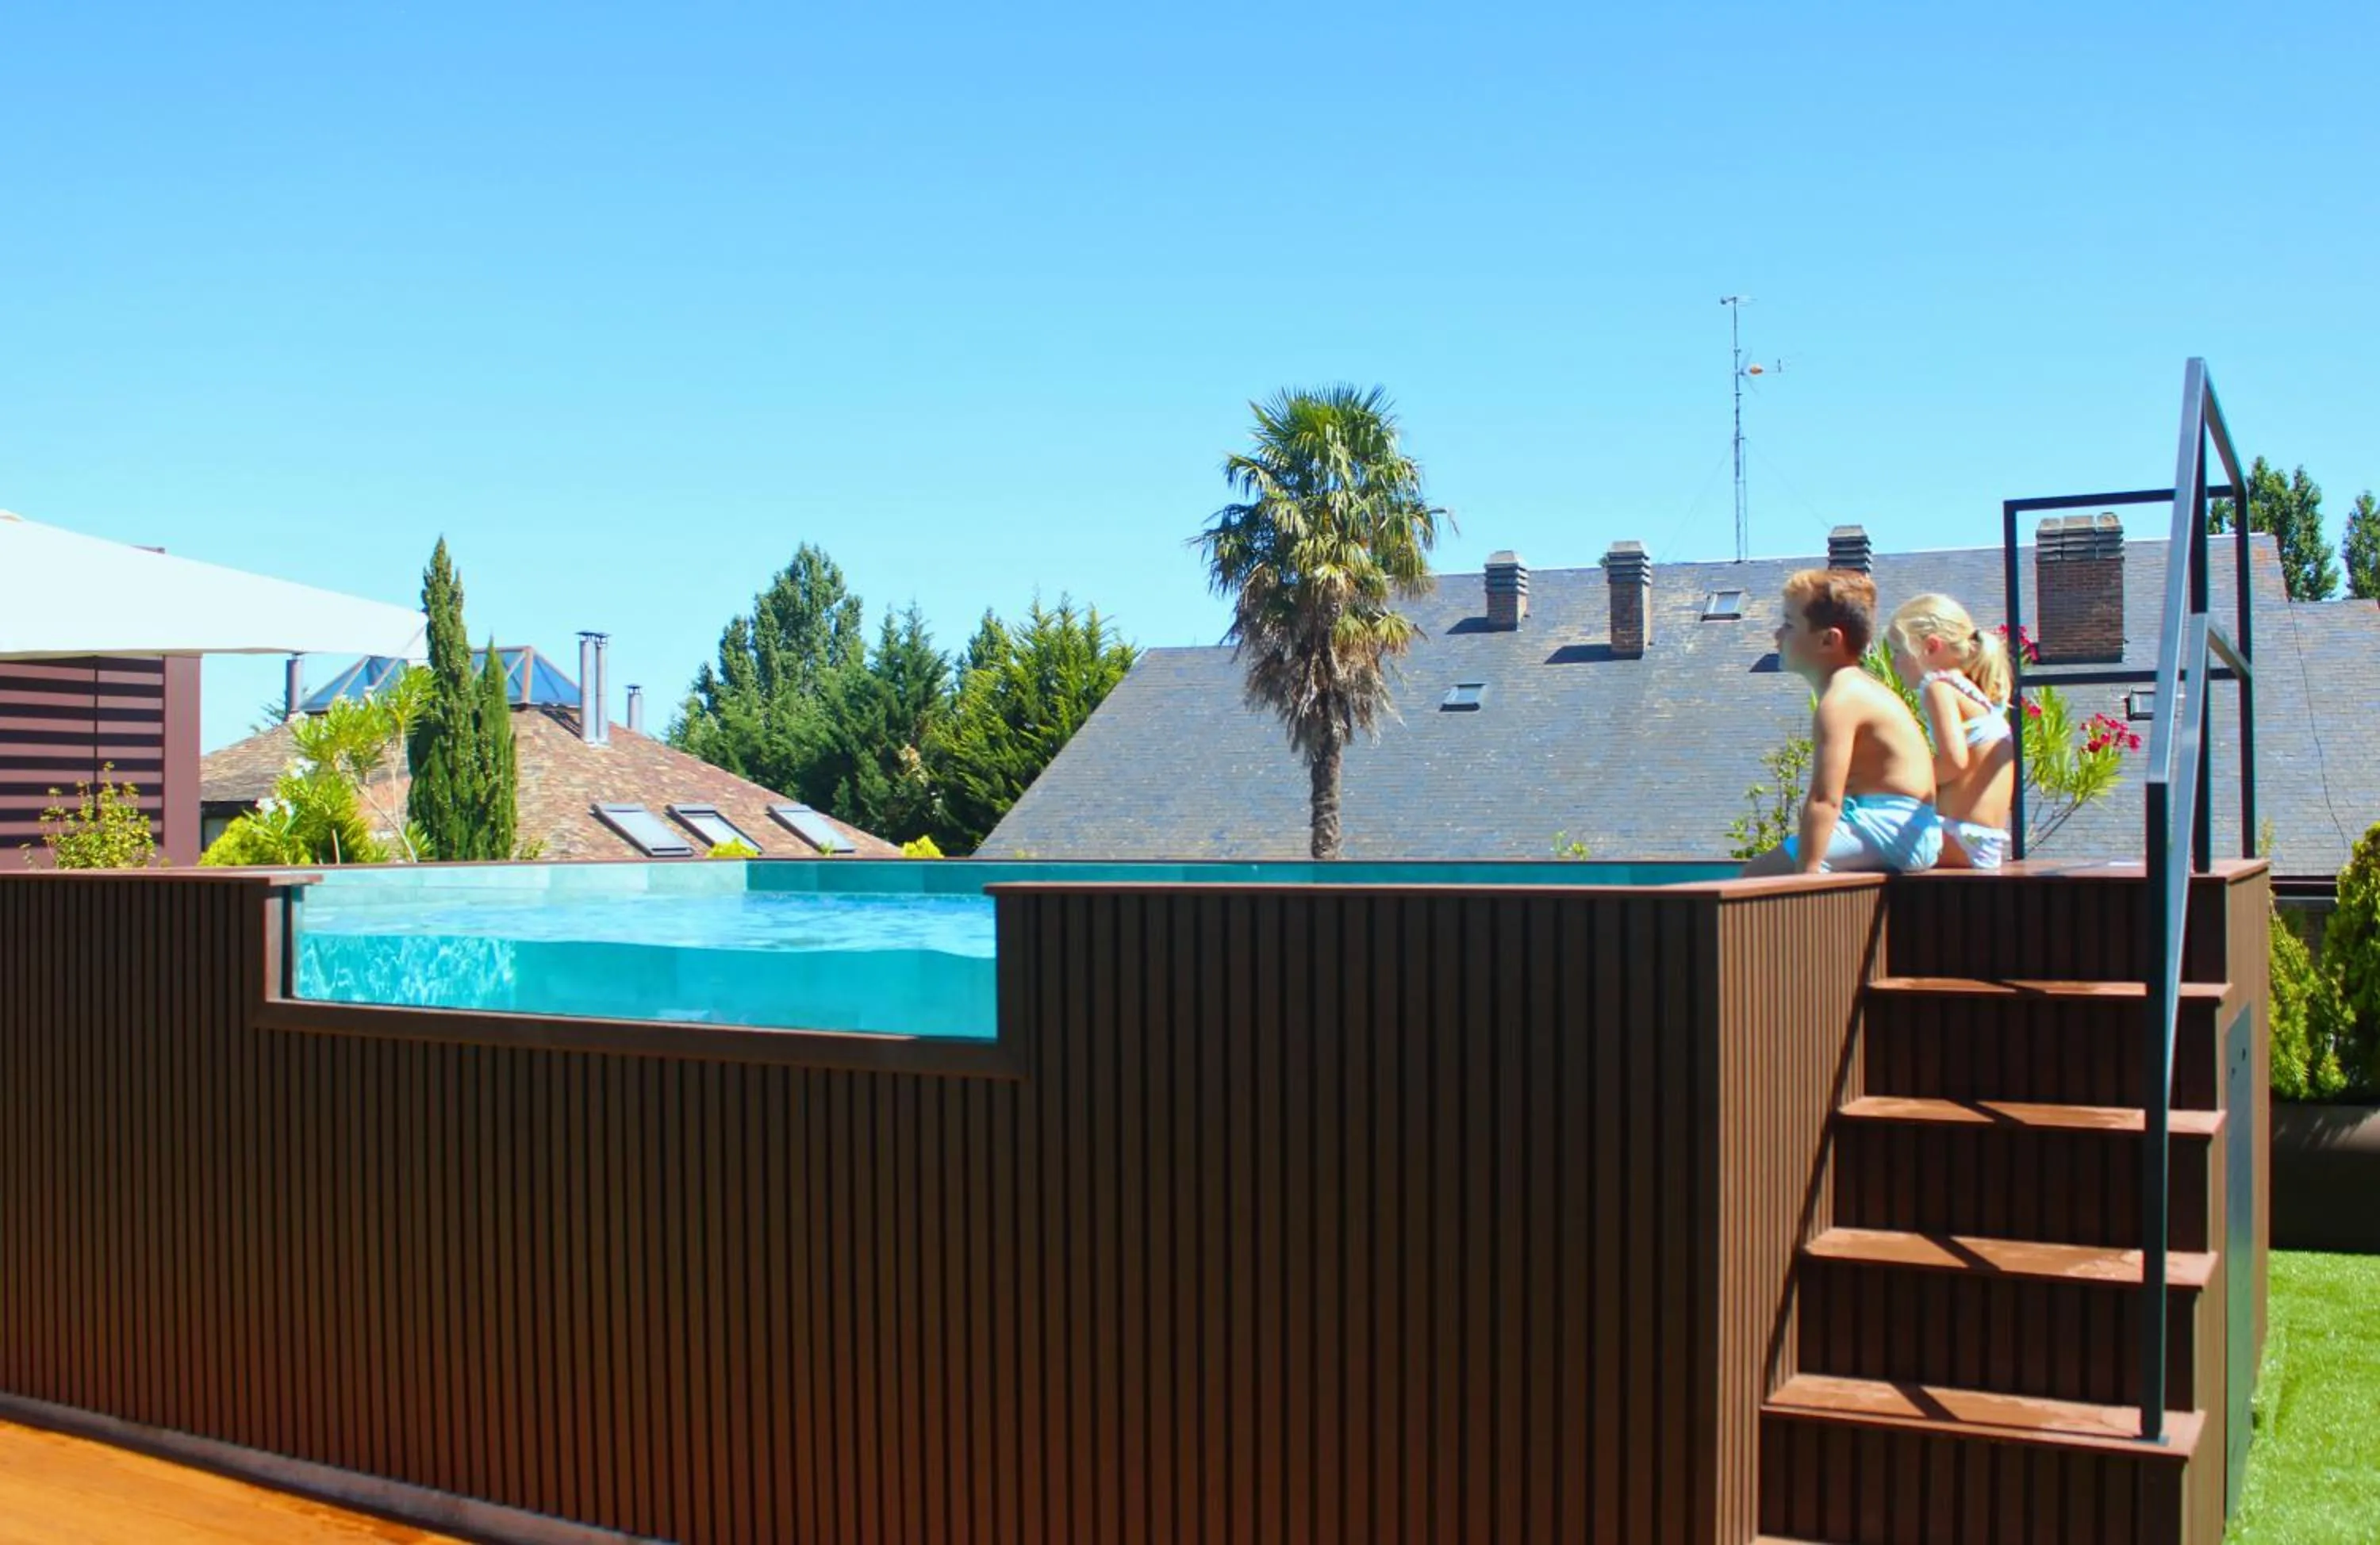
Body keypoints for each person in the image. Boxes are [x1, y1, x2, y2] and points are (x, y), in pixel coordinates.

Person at [1741, 569, 1942, 876]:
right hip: (1912, 828)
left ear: (1828, 640)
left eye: (1789, 625)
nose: (1777, 635)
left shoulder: (1840, 700)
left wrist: (1805, 876)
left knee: (1757, 876)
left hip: (1888, 827)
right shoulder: (1861, 687)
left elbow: (1825, 799)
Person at [1887, 593, 2017, 869]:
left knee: (1845, 842)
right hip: (1983, 840)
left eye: (1899, 652)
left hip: (1957, 835)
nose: (1894, 663)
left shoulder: (1938, 687)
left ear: (1931, 647)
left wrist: (1899, 784)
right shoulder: (1977, 696)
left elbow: (1953, 761)